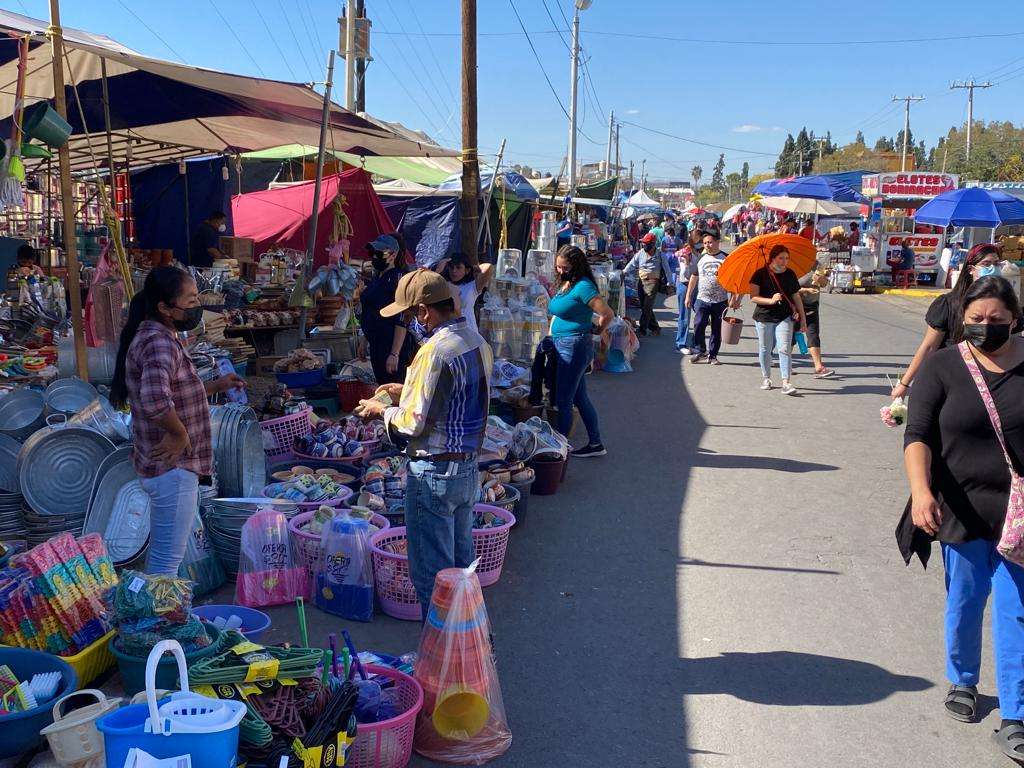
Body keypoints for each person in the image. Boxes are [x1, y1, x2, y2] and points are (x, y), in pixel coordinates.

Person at [900, 275, 1024, 762]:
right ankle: (964, 680)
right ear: (961, 321)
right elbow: (917, 433)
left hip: (1017, 513)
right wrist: (920, 491)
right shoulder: (943, 368)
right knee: (966, 600)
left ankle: (1015, 714)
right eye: (975, 320)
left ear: (1015, 319)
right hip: (960, 507)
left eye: (996, 320)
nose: (986, 328)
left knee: (1017, 609)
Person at [356, 269, 491, 613]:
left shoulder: (434, 351)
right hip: (466, 470)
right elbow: (454, 398)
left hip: (434, 471)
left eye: (410, 313)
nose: (410, 321)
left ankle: (440, 659)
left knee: (433, 579)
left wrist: (380, 411)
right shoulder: (476, 341)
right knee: (462, 572)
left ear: (424, 312)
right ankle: (466, 651)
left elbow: (413, 423)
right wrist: (405, 390)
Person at [109, 267, 245, 575]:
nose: (197, 305)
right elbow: (156, 400)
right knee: (167, 560)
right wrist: (180, 434)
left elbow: (173, 390)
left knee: (165, 552)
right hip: (172, 466)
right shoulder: (158, 342)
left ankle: (164, 615)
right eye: (191, 299)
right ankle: (162, 620)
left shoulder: (158, 334)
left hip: (168, 466)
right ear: (166, 308)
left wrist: (216, 386)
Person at [890, 244, 1003, 400]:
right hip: (952, 384)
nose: (993, 268)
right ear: (971, 269)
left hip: (992, 386)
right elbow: (929, 347)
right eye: (986, 264)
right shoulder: (948, 304)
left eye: (997, 264)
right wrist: (904, 384)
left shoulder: (1007, 308)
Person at [548, 245, 614, 457]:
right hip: (566, 345)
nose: (560, 271)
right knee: (579, 397)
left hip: (573, 346)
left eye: (564, 267)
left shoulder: (584, 286)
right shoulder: (569, 283)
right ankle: (595, 444)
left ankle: (560, 449)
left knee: (564, 400)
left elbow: (607, 313)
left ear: (575, 266)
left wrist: (597, 330)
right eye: (557, 267)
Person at [747, 244, 807, 395]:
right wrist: (771, 300)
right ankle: (766, 378)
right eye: (781, 258)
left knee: (784, 348)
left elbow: (796, 296)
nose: (784, 261)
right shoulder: (759, 274)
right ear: (772, 258)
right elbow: (753, 297)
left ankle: (786, 382)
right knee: (765, 348)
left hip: (784, 316)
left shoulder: (790, 274)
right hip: (764, 316)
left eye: (787, 258)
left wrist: (803, 318)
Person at [359, 234, 411, 385]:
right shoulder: (377, 277)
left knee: (394, 388)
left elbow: (402, 318)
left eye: (379, 253)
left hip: (392, 344)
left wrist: (394, 353)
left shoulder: (399, 278)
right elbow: (368, 311)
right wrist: (364, 340)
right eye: (373, 253)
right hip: (375, 343)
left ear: (393, 254)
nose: (375, 256)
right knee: (383, 387)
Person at [686, 231, 733, 365]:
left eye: (710, 242)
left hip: (720, 301)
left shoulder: (726, 258)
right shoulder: (701, 258)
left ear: (718, 242)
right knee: (698, 325)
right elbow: (694, 277)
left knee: (716, 329)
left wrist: (734, 297)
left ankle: (713, 355)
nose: (707, 245)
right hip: (702, 299)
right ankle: (701, 350)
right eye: (705, 243)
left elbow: (734, 279)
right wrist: (688, 296)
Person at [794, 267, 835, 378]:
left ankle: (819, 367)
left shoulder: (818, 266)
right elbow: (787, 289)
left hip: (812, 307)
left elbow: (825, 284)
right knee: (791, 338)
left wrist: (820, 279)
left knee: (813, 335)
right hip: (795, 308)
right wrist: (805, 290)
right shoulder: (792, 268)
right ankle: (787, 365)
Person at [438, 255, 493, 334]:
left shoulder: (472, 286)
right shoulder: (444, 283)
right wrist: (439, 269)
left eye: (458, 268)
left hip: (469, 327)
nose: (454, 271)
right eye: (451, 267)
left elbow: (488, 267)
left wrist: (473, 267)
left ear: (466, 270)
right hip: (449, 329)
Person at [623, 233, 664, 335]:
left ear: (653, 244)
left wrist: (670, 283)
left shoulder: (659, 254)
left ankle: (642, 329)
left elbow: (666, 268)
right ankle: (655, 327)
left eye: (646, 244)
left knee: (646, 307)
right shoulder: (640, 253)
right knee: (645, 306)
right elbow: (632, 263)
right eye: (643, 244)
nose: (644, 246)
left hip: (653, 283)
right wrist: (624, 272)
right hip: (641, 282)